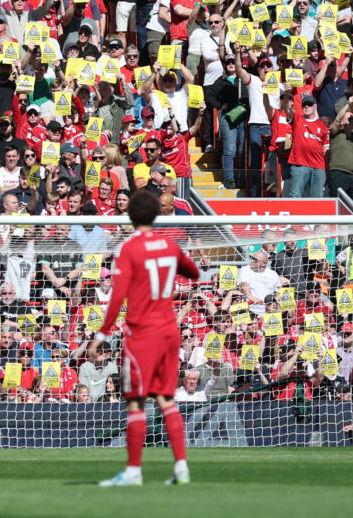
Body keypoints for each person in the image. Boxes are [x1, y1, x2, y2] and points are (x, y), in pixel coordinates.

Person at [91, 188, 201, 487]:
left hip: (142, 334)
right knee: (167, 400)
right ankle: (181, 469)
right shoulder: (168, 244)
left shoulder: (129, 249)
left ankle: (133, 471)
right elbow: (194, 273)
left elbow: (117, 297)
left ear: (129, 215)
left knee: (136, 403)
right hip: (169, 331)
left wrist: (101, 333)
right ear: (155, 214)